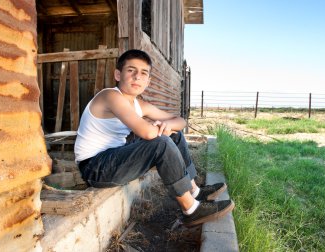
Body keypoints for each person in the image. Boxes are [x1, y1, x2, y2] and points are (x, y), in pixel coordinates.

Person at [74, 49, 234, 226]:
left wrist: (168, 126)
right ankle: (191, 210)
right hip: (95, 167)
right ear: (118, 74)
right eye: (131, 70)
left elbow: (180, 121)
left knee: (174, 135)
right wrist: (159, 127)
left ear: (148, 81)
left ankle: (194, 191)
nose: (137, 77)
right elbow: (148, 133)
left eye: (143, 73)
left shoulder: (138, 104)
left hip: (114, 157)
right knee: (161, 143)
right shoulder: (109, 95)